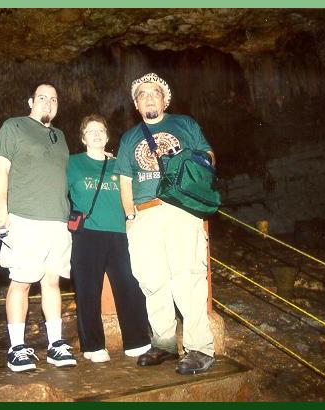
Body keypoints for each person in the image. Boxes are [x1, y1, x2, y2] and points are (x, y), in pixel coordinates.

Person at [115, 72, 216, 375]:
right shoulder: (129, 138)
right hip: (144, 214)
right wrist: (130, 216)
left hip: (180, 209)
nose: (149, 98)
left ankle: (200, 348)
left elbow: (209, 157)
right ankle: (165, 343)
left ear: (165, 99)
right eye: (142, 94)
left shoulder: (185, 124)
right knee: (152, 280)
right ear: (136, 104)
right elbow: (124, 180)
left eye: (154, 92)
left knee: (187, 277)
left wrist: (189, 164)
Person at [0, 82, 77, 373]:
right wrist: (2, 210)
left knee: (52, 282)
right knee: (21, 282)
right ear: (30, 102)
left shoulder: (60, 136)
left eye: (53, 99)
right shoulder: (13, 127)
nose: (48, 103)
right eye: (42, 98)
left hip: (58, 220)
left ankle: (55, 344)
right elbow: (2, 169)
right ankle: (16, 347)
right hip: (25, 217)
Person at [67, 114, 151, 363]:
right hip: (87, 234)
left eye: (100, 130)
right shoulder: (72, 163)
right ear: (83, 138)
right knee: (87, 290)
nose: (96, 134)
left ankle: (137, 341)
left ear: (107, 136)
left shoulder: (119, 164)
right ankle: (93, 346)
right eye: (90, 131)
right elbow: (58, 192)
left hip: (119, 233)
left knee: (129, 286)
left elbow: (136, 191)